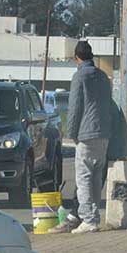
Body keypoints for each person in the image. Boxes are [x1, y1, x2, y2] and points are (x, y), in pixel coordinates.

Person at [49, 41, 112, 234]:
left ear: (77, 58)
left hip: (86, 133)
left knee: (84, 177)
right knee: (96, 177)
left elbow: (75, 107)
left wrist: (71, 133)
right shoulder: (103, 77)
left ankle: (88, 219)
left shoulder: (79, 76)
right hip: (104, 133)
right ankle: (93, 216)